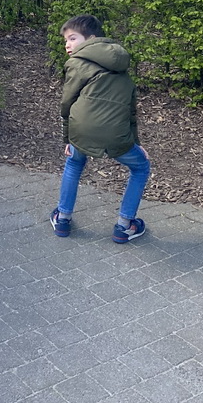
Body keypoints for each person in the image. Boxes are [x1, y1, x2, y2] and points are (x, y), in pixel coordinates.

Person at [50, 14, 151, 242]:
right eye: (66, 40)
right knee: (141, 168)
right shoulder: (123, 65)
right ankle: (125, 226)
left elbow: (67, 103)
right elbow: (130, 109)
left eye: (73, 38)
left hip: (82, 130)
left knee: (74, 163)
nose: (68, 44)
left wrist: (67, 138)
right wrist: (136, 143)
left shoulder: (76, 64)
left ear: (92, 38)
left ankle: (63, 219)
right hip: (116, 132)